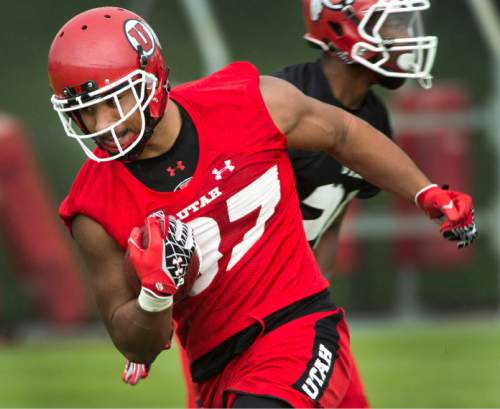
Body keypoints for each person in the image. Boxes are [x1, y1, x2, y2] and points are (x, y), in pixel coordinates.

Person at [48, 6, 476, 409]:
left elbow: (342, 132)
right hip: (213, 367)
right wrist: (154, 299)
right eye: (85, 112)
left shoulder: (246, 102)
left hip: (295, 329)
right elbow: (131, 342)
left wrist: (424, 192)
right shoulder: (92, 205)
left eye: (114, 101)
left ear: (152, 79)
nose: (103, 125)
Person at [270, 0, 438, 406]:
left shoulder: (373, 117)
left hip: (299, 306)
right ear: (343, 27)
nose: (406, 37)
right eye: (392, 24)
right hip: (241, 310)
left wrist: (317, 292)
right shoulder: (284, 101)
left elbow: (334, 211)